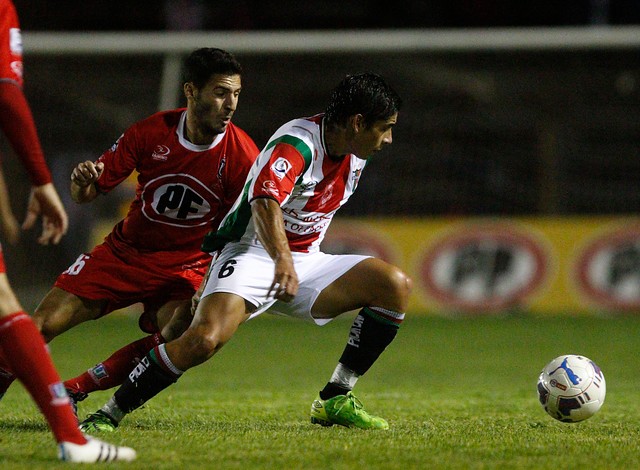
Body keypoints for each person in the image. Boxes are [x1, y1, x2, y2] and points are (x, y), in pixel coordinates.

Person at [80, 72, 411, 433]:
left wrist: (291, 262)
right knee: (201, 340)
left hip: (305, 261)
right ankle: (108, 414)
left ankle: (335, 396)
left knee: (393, 286)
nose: (390, 139)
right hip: (250, 254)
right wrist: (282, 261)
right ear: (357, 123)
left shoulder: (355, 151)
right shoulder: (297, 143)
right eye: (385, 128)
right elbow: (264, 200)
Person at [0, 47, 259, 416]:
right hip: (124, 254)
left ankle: (79, 387)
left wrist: (210, 280)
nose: (230, 104)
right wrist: (81, 181)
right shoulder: (151, 133)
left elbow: (238, 231)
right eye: (220, 92)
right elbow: (87, 192)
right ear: (191, 91)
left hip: (184, 268)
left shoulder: (243, 156)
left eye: (235, 94)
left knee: (185, 333)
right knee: (39, 324)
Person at [0, 0, 136, 462]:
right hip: (129, 256)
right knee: (9, 308)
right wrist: (41, 181)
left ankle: (71, 437)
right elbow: (7, 94)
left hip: (170, 264)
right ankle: (72, 439)